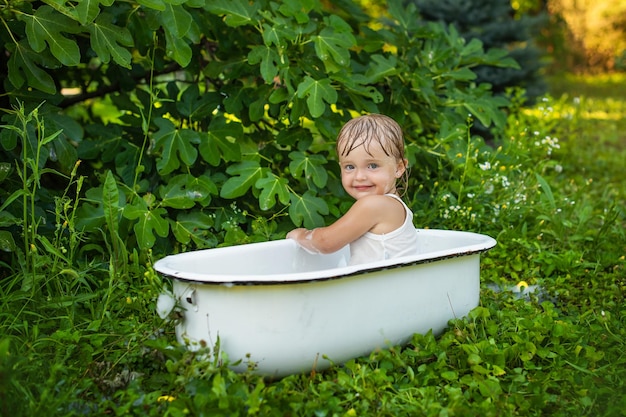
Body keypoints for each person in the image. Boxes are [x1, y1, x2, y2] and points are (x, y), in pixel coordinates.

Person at [286, 113, 418, 265]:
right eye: (350, 166)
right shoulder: (391, 205)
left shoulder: (374, 205)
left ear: (399, 167)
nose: (359, 176)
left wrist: (301, 235)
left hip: (383, 287)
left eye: (372, 166)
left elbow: (326, 242)